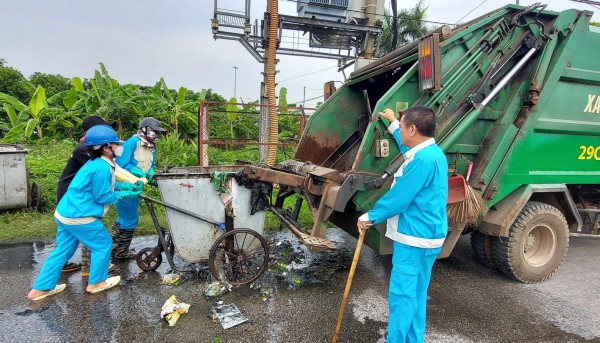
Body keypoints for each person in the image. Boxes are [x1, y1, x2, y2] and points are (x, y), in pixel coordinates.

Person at [357, 106, 448, 343]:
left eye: (404, 124)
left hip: (414, 239)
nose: (403, 130)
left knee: (401, 296)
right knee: (416, 296)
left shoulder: (422, 161)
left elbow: (400, 198)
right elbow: (408, 145)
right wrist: (393, 123)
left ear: (414, 129)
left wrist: (370, 216)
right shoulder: (432, 152)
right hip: (428, 237)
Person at [27, 125, 142, 301]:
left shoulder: (96, 163)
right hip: (80, 216)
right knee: (103, 244)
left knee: (63, 249)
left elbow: (103, 185)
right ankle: (96, 283)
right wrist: (124, 193)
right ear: (105, 147)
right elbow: (103, 195)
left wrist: (125, 185)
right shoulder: (101, 168)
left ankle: (41, 289)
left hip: (66, 212)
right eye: (115, 144)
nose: (119, 147)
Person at [57, 116, 116, 274]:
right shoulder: (87, 149)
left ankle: (62, 265)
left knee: (71, 233)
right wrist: (132, 182)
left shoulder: (86, 146)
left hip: (74, 193)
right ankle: (91, 267)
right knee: (88, 230)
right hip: (76, 195)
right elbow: (105, 172)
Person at [113, 117, 166, 259]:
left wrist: (151, 176)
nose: (156, 134)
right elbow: (121, 165)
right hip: (127, 185)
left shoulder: (152, 146)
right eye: (154, 131)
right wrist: (139, 172)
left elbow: (150, 166)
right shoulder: (132, 143)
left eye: (157, 132)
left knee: (123, 217)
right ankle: (120, 252)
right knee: (130, 218)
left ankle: (114, 248)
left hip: (138, 186)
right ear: (145, 129)